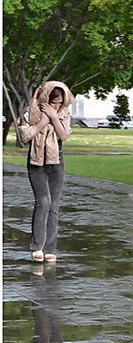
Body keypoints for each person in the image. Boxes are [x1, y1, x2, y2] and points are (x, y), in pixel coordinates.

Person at [16, 81, 75, 262]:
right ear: (45, 98)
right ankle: (36, 246)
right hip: (36, 161)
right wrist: (43, 121)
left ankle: (50, 248)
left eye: (59, 102)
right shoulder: (31, 112)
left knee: (54, 204)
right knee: (43, 201)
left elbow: (64, 135)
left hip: (57, 159)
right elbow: (25, 136)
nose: (57, 106)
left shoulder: (63, 113)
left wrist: (54, 117)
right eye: (53, 102)